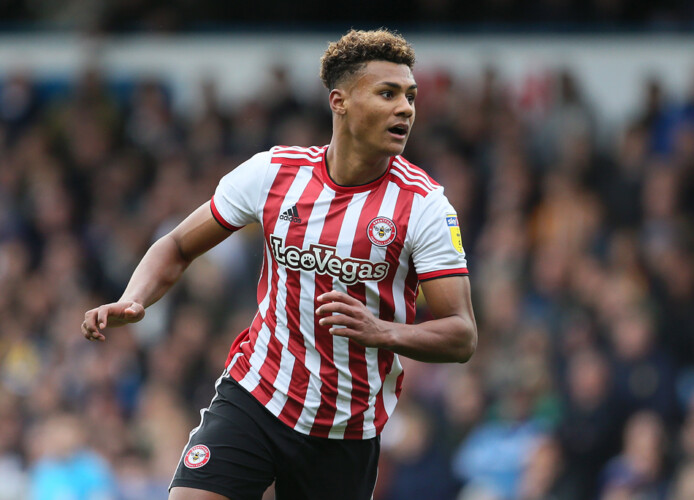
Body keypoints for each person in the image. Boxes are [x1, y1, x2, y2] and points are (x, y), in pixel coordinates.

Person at [81, 29, 478, 500]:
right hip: (257, 395)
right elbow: (177, 245)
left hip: (345, 426)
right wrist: (134, 298)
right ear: (340, 102)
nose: (405, 109)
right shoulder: (273, 174)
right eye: (387, 93)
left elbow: (461, 334)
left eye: (410, 96)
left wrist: (383, 331)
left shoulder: (425, 206)